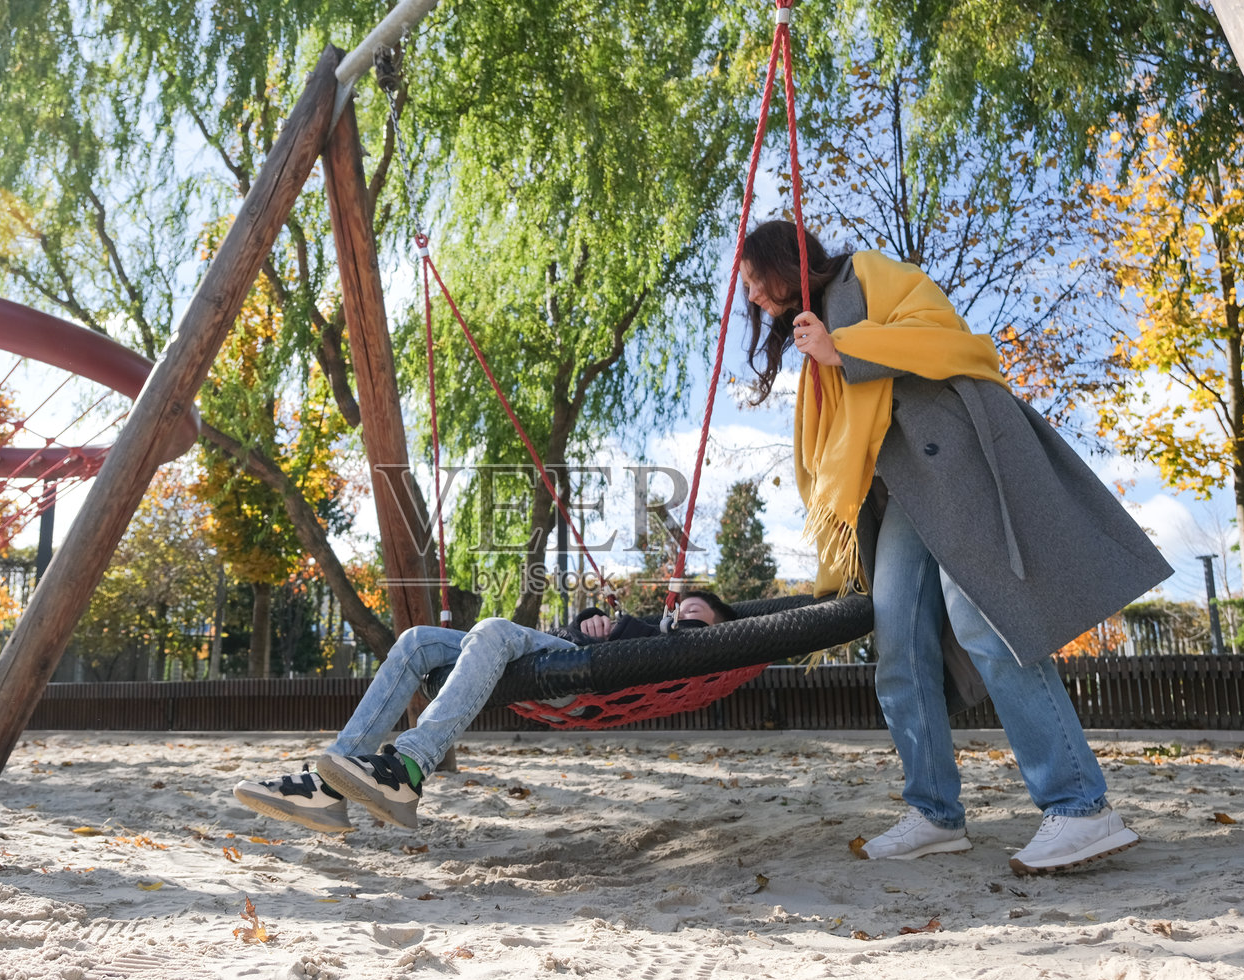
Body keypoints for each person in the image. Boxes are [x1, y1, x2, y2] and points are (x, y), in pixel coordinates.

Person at [738, 219, 1172, 874]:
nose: (750, 299)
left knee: (985, 620)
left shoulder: (867, 276)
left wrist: (844, 347)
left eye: (753, 281)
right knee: (898, 644)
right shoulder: (812, 334)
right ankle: (935, 813)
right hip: (901, 491)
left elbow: (947, 336)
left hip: (950, 460)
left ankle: (1080, 805)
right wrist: (828, 351)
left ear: (783, 261)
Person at [233, 591, 736, 834]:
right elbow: (576, 629)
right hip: (560, 659)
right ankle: (327, 790)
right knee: (416, 642)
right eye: (682, 606)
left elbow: (697, 649)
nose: (684, 613)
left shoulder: (681, 645)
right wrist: (594, 619)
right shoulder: (643, 627)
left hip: (584, 683)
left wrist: (678, 630)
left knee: (495, 629)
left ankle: (407, 769)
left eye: (696, 612)